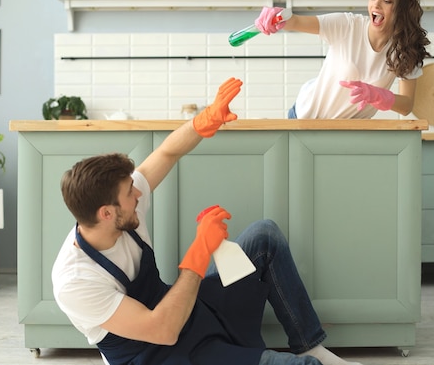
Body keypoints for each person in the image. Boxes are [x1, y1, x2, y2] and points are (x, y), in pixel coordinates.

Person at [51, 77, 362, 365]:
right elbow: (162, 330)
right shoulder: (76, 281)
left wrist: (203, 121)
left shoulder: (119, 211)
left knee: (263, 237)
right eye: (129, 192)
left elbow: (167, 153)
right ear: (107, 213)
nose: (139, 193)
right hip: (161, 354)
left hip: (191, 315)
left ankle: (309, 344)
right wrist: (200, 249)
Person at [254, 0, 430, 120]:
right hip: (304, 118)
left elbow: (407, 106)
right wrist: (278, 16)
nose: (375, 5)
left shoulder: (406, 48)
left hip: (347, 131)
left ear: (402, 7)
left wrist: (379, 95)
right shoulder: (347, 25)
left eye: (387, 1)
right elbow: (296, 21)